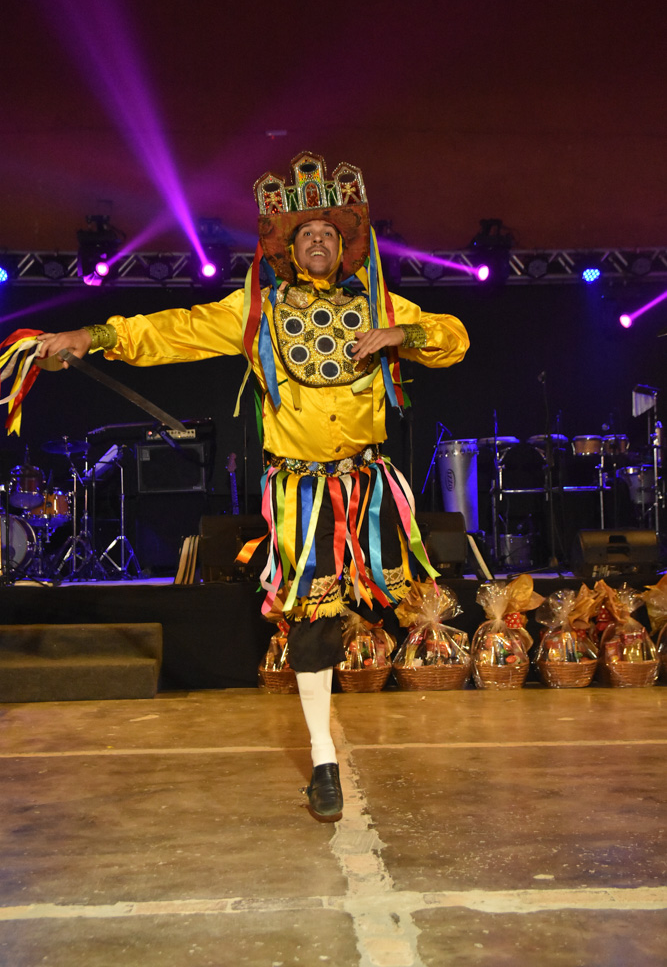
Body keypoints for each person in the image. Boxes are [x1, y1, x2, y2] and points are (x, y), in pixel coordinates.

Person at [37, 152, 469, 821]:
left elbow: (454, 339)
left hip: (368, 487)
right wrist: (91, 336)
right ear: (289, 249)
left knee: (398, 602)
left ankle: (391, 702)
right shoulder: (258, 310)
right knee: (313, 621)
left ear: (345, 246)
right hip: (301, 494)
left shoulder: (380, 304)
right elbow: (171, 330)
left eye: (328, 233)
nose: (318, 241)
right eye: (306, 234)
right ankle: (322, 759)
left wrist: (400, 332)